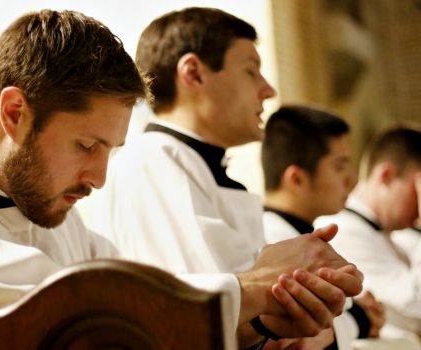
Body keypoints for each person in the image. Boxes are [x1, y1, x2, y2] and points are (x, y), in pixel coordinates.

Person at [0, 9, 361, 350]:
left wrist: (264, 322)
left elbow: (158, 304)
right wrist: (252, 288)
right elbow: (40, 313)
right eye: (86, 145)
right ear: (15, 112)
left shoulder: (60, 222)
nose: (99, 178)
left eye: (111, 150)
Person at [80, 7, 362, 348]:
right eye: (251, 71)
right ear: (194, 74)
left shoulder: (192, 164)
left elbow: (247, 316)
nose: (268, 90)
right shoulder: (152, 161)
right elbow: (197, 317)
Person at [261, 105, 385, 349]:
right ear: (297, 179)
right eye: (339, 166)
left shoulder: (298, 233)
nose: (351, 178)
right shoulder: (273, 242)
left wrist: (357, 311)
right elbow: (309, 336)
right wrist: (358, 318)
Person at [317, 125, 421, 336]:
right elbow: (415, 309)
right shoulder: (342, 230)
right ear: (387, 175)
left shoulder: (397, 234)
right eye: (417, 188)